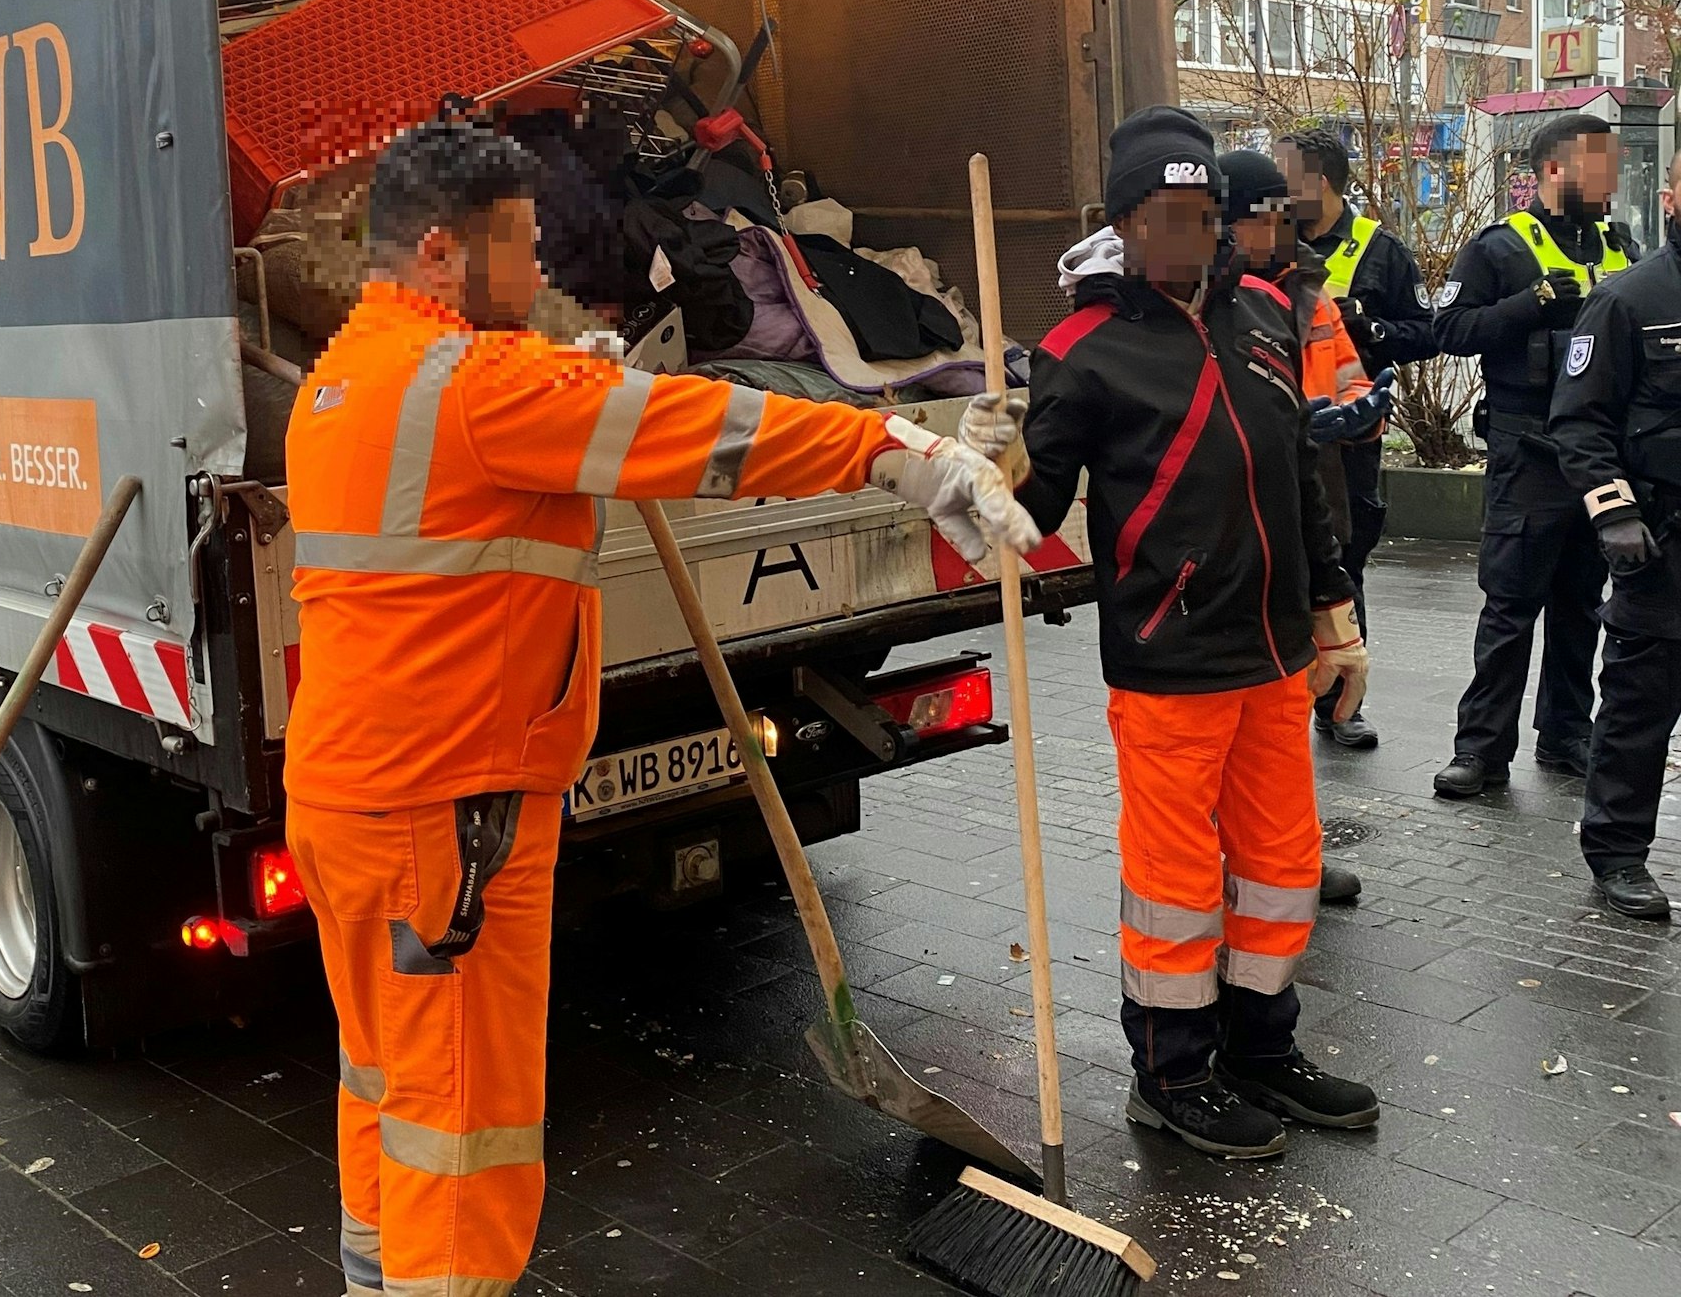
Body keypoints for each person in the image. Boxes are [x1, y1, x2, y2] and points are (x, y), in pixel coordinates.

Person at [280, 120, 1037, 1297]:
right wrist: (904, 451)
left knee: (385, 1080)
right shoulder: (481, 387)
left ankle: (371, 1277)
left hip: (353, 802)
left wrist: (570, 372)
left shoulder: (340, 378)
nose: (536, 275)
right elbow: (716, 429)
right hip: (451, 823)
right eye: (516, 248)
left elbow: (491, 472)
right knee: (463, 1128)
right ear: (440, 252)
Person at [996, 107, 1379, 1160]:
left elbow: (1297, 475)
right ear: (1120, 223)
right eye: (1165, 216)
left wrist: (1332, 615)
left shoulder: (1260, 316)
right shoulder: (1079, 351)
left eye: (1204, 216)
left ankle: (1262, 1047)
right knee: (1172, 889)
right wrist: (994, 467)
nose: (1189, 237)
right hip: (1169, 663)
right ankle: (1169, 1075)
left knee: (1278, 865)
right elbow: (1030, 518)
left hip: (1270, 656)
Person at [1431, 114, 1639, 800]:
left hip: (1597, 455)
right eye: (1596, 168)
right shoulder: (1501, 248)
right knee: (1510, 607)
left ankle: (1566, 736)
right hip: (1527, 454)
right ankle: (1481, 750)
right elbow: (1451, 330)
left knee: (1582, 603)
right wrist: (1533, 302)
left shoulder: (1619, 244)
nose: (1608, 184)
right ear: (1554, 171)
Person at [1220, 149, 1396, 908]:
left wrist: (1362, 409)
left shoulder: (1310, 294)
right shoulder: (1212, 302)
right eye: (1263, 213)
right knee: (1234, 711)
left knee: (1289, 697)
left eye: (1282, 211)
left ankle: (1289, 852)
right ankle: (1232, 859)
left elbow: (1347, 370)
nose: (1280, 224)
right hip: (1240, 513)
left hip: (1309, 495)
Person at [1546, 145, 1681, 921]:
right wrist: (1615, 510)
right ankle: (1619, 852)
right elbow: (1580, 421)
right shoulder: (1630, 299)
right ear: (1668, 200)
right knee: (1637, 708)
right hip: (1661, 541)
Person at [1276, 128, 1437, 750]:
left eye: (1286, 180)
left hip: (1348, 443)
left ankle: (1341, 708)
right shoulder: (1267, 246)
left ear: (1318, 184)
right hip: (1282, 435)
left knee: (1343, 564)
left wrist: (1366, 324)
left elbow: (1427, 333)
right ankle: (1293, 693)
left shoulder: (1379, 251)